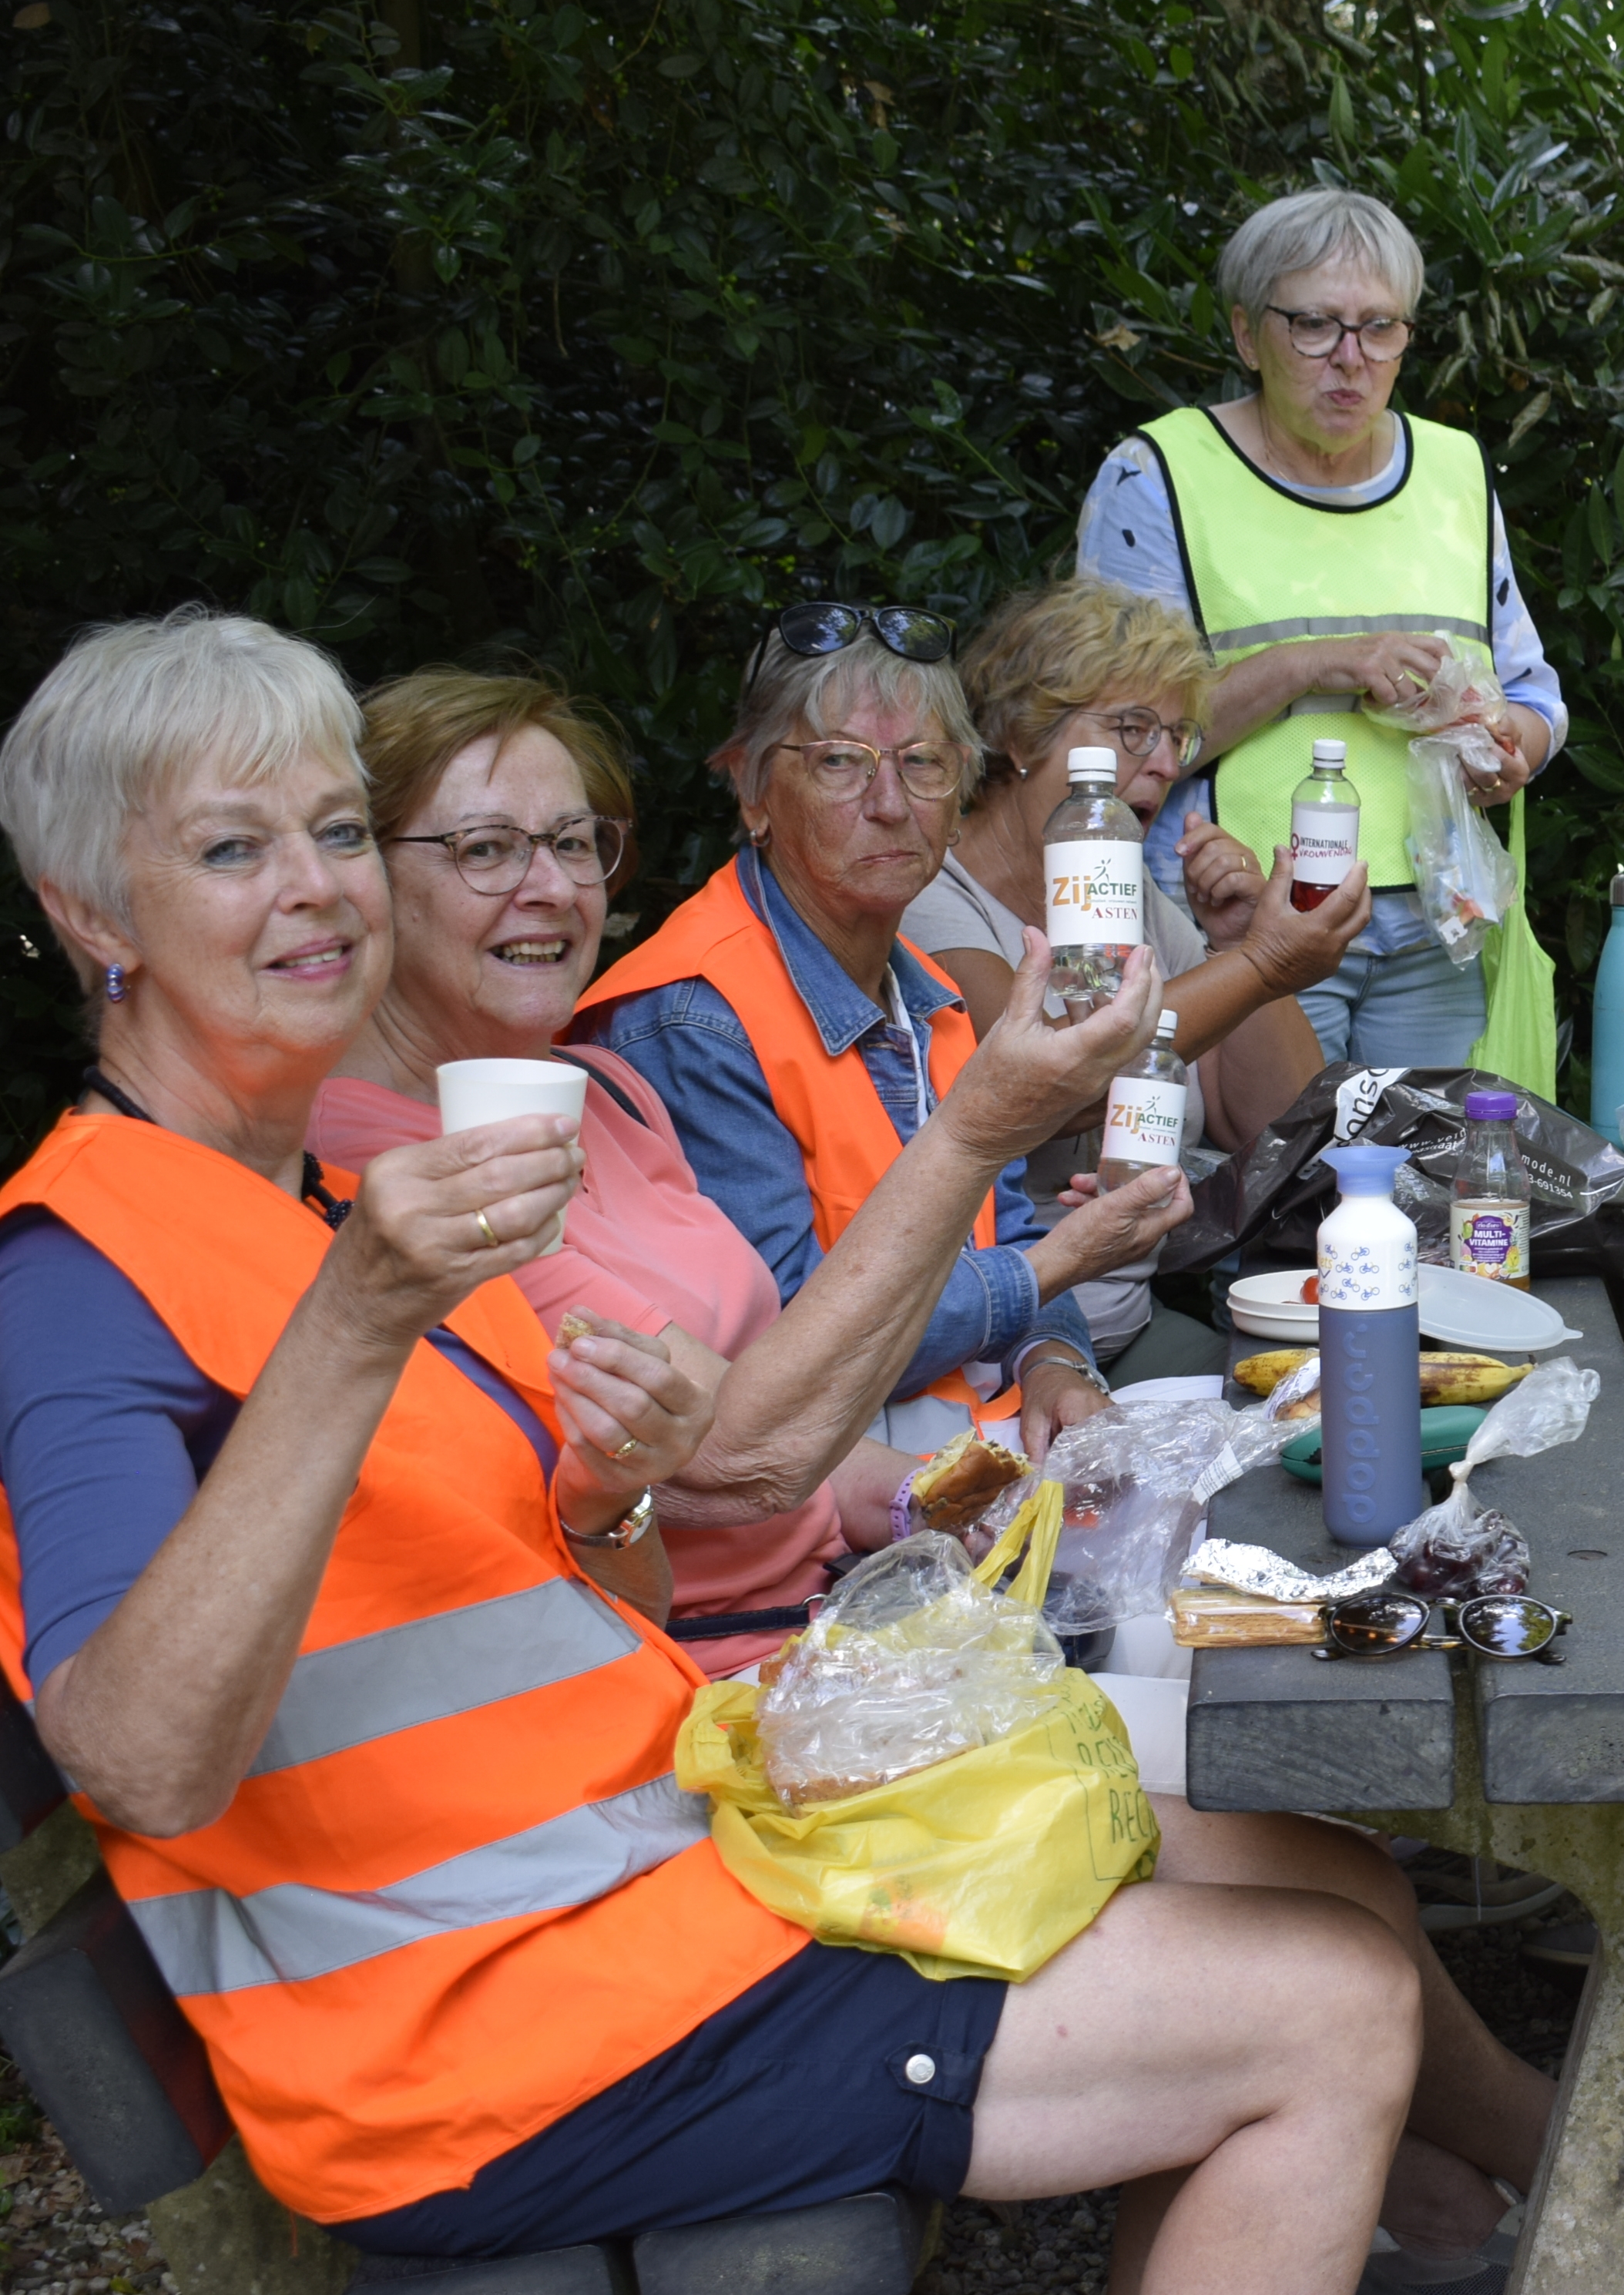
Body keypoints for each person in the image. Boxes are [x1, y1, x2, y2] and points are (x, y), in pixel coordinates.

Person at [0, 610, 1418, 2290]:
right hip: (486, 2042)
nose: (315, 886)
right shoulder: (80, 1272)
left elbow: (627, 1567)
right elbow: (141, 1762)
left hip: (660, 1891)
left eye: (327, 831)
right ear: (92, 915)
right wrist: (361, 1322)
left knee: (1312, 1919)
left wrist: (606, 1499)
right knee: (1332, 2009)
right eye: (236, 849)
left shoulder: (315, 1204)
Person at [307, 668, 1189, 1674]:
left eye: (571, 843)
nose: (549, 887)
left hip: (852, 1589)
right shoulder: (380, 1178)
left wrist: (942, 1485)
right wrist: (1000, 1163)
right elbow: (731, 1457)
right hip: (709, 1671)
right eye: (486, 849)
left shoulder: (608, 1088)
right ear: (358, 878)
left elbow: (771, 1395)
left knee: (1219, 1617)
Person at [569, 603, 1181, 1455]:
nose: (890, 803)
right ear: (751, 791)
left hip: (974, 1467)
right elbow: (782, 1360)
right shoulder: (694, 1015)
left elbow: (1007, 1230)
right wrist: (1059, 1265)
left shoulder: (926, 990)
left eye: (923, 763)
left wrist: (1053, 1364)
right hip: (822, 1512)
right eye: (840, 764)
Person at [1079, 186, 1562, 1087]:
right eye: (1314, 326)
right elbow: (1104, 741)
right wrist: (1323, 661)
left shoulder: (1454, 471)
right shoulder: (1158, 477)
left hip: (1435, 929)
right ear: (1243, 333)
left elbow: (1533, 696)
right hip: (1233, 919)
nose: (1350, 359)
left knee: (1430, 1196)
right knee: (1258, 1201)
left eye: (1380, 328)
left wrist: (1510, 750)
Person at [913, 579, 1359, 1382]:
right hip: (987, 1355)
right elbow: (1038, 1091)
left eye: (1177, 737)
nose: (1162, 763)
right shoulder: (929, 898)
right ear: (1022, 733)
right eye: (1132, 729)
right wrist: (1257, 965)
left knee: (1327, 1411)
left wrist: (1235, 948)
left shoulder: (1133, 896)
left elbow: (1275, 1124)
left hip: (1132, 1331)